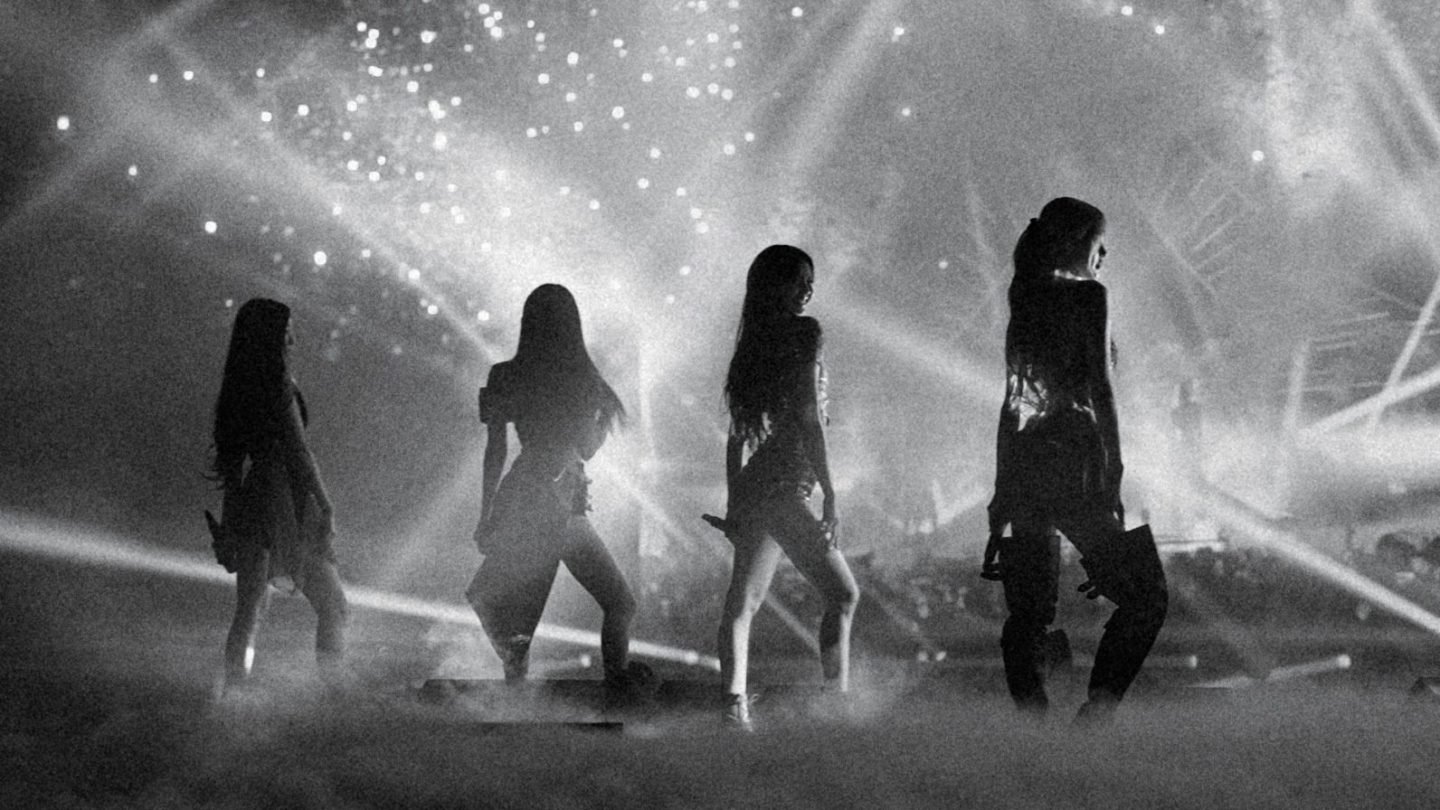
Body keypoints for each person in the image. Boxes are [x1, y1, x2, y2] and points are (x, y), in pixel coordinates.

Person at [983, 198, 1167, 724]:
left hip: (1026, 463)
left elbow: (1013, 399)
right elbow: (1101, 388)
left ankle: (1034, 722)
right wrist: (1115, 467)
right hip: (1074, 459)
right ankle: (1097, 714)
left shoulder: (1023, 295)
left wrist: (1001, 487)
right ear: (1077, 241)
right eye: (1099, 243)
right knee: (1146, 596)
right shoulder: (1089, 296)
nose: (1104, 256)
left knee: (1030, 613)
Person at [467, 283, 650, 692]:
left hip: (524, 492)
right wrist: (601, 426)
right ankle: (616, 688)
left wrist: (487, 513)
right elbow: (586, 448)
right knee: (619, 603)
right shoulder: (582, 380)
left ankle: (516, 690)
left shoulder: (504, 375)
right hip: (561, 494)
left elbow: (495, 450)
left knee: (511, 609)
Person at [716, 245, 861, 729]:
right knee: (842, 593)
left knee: (743, 604)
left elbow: (736, 439)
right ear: (774, 284)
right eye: (799, 280)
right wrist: (831, 494)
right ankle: (835, 702)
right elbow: (810, 419)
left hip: (761, 485)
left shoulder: (753, 344)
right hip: (784, 486)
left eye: (810, 282)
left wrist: (736, 501)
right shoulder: (804, 333)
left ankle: (734, 709)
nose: (807, 290)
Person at [210, 298, 349, 690]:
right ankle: (334, 694)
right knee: (334, 606)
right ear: (271, 337)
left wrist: (230, 524)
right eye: (287, 331)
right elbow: (299, 452)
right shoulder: (278, 386)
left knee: (250, 612)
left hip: (256, 499)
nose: (293, 339)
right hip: (285, 496)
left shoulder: (239, 389)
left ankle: (234, 695)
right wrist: (325, 505)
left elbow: (233, 468)